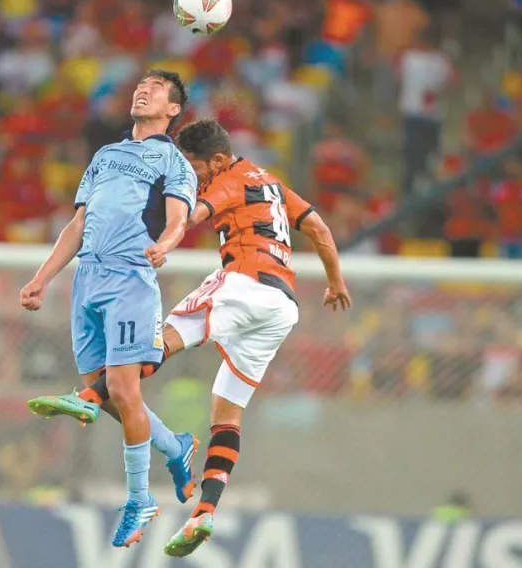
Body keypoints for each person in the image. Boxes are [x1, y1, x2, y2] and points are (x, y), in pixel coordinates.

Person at [28, 120, 351, 557]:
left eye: (196, 169)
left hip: (243, 282)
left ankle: (88, 396)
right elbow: (321, 232)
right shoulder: (273, 183)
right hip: (281, 306)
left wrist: (164, 238)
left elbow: (194, 214)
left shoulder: (228, 179)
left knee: (161, 338)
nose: (195, 177)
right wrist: (335, 283)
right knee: (226, 414)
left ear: (216, 161)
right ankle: (204, 512)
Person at [19, 70, 199, 548]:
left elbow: (179, 218)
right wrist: (42, 277)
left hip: (130, 276)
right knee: (117, 396)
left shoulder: (174, 162)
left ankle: (140, 499)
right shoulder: (104, 156)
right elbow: (78, 223)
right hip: (88, 279)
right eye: (141, 85)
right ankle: (175, 447)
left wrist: (165, 244)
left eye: (156, 88)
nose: (143, 90)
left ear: (173, 109)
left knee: (119, 387)